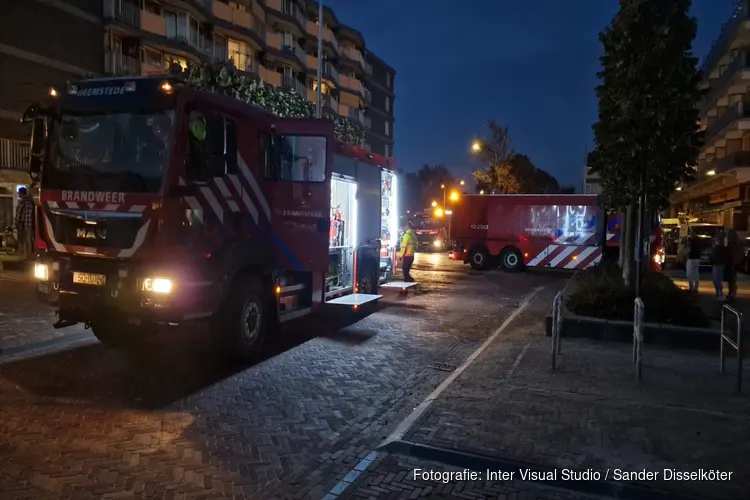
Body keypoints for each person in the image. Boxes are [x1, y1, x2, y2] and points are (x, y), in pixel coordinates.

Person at [14, 187, 34, 261]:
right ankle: (28, 255)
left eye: (19, 193)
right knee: (28, 240)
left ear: (22, 193)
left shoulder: (23, 202)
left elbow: (20, 214)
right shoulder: (30, 202)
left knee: (24, 240)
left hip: (23, 224)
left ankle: (25, 255)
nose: (18, 194)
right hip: (29, 224)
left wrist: (18, 222)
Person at [724, 229, 741, 301]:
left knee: (732, 280)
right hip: (730, 263)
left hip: (732, 263)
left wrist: (734, 262)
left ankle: (732, 294)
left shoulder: (734, 244)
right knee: (731, 280)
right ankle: (731, 294)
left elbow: (734, 254)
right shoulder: (732, 243)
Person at [710, 231, 727, 301]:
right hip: (716, 264)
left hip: (719, 264)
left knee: (717, 280)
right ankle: (718, 294)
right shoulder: (718, 247)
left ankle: (720, 294)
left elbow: (718, 255)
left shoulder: (721, 247)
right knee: (715, 280)